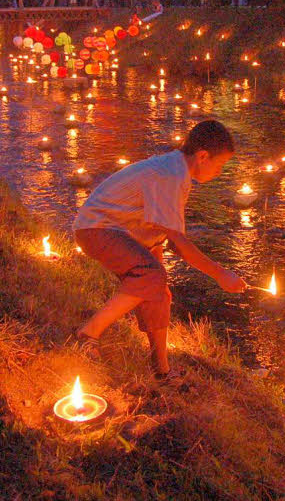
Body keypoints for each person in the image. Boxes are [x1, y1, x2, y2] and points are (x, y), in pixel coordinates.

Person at [72, 120, 246, 380]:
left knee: (159, 292)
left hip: (122, 231)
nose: (219, 172)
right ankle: (87, 334)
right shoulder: (172, 175)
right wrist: (221, 274)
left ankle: (161, 369)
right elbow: (179, 242)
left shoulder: (177, 169)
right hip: (97, 229)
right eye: (219, 165)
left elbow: (161, 231)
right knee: (152, 276)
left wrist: (158, 263)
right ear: (202, 156)